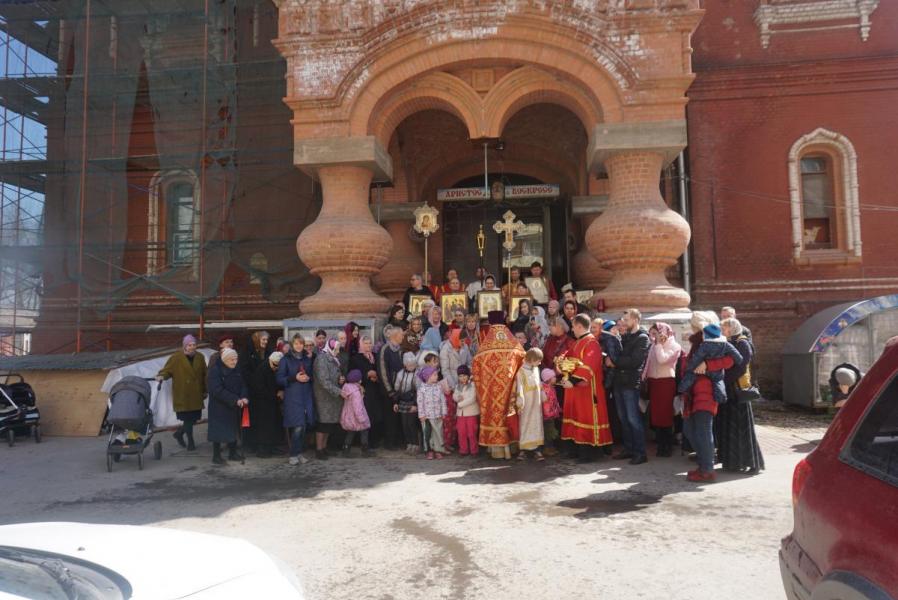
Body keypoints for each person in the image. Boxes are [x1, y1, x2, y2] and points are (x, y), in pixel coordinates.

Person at [680, 311, 736, 483]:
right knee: (691, 430)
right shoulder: (698, 341)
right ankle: (705, 463)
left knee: (703, 431)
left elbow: (731, 360)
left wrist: (708, 364)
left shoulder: (711, 340)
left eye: (693, 323)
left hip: (706, 392)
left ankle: (707, 469)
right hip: (693, 392)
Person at [472, 311, 526, 459]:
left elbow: (476, 364)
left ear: (490, 323)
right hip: (510, 388)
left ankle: (496, 451)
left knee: (494, 415)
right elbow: (523, 358)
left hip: (491, 390)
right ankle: (513, 447)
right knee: (510, 414)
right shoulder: (512, 342)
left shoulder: (486, 345)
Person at [560, 314, 613, 462]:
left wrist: (573, 380)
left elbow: (589, 365)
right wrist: (561, 368)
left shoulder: (592, 343)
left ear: (579, 326)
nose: (571, 329)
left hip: (588, 389)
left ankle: (589, 452)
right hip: (575, 389)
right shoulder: (577, 342)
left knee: (586, 416)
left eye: (573, 326)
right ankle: (576, 448)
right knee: (576, 415)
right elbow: (567, 358)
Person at [718, 318, 765, 473]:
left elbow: (741, 367)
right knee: (730, 426)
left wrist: (724, 378)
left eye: (724, 327)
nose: (722, 330)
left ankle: (752, 463)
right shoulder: (731, 342)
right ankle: (734, 462)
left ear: (731, 329)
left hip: (738, 391)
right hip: (730, 391)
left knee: (743, 429)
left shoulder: (743, 343)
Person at [609, 308, 651, 465]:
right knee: (623, 418)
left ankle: (640, 453)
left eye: (626, 320)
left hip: (630, 383)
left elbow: (634, 361)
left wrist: (615, 361)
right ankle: (629, 448)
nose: (623, 323)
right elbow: (621, 356)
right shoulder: (625, 336)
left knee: (633, 419)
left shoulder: (642, 338)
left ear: (635, 320)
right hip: (619, 381)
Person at [156, 334, 207, 452]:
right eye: (189, 345)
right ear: (184, 346)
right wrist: (162, 376)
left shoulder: (200, 357)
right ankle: (191, 442)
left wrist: (205, 390)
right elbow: (167, 371)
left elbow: (205, 374)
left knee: (193, 419)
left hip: (196, 393)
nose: (192, 347)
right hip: (183, 394)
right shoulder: (176, 357)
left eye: (194, 345)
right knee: (188, 420)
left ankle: (179, 434)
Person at [643, 322, 682, 458]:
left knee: (665, 415)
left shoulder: (675, 346)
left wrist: (659, 344)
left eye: (656, 333)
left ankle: (668, 446)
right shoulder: (653, 345)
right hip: (654, 383)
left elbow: (662, 360)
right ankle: (660, 445)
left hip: (666, 383)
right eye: (651, 334)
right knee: (656, 416)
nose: (653, 337)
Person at [677, 323, 742, 405]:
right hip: (717, 372)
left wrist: (690, 367)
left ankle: (682, 388)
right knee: (718, 381)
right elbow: (738, 356)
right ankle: (721, 397)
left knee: (691, 375)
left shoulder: (705, 345)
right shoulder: (725, 344)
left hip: (703, 372)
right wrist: (739, 359)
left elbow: (697, 357)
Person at [277, 334, 316, 466]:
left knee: (304, 426)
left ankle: (299, 453)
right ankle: (293, 454)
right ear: (292, 345)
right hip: (293, 396)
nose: (299, 346)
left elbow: (310, 374)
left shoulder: (306, 358)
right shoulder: (285, 359)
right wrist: (295, 378)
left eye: (301, 343)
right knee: (297, 426)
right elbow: (279, 379)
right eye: (296, 344)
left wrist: (308, 378)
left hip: (306, 395)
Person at [206, 347, 248, 465]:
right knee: (218, 431)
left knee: (233, 429)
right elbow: (217, 390)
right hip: (219, 406)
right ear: (224, 360)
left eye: (236, 359)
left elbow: (243, 385)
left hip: (234, 405)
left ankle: (233, 453)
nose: (234, 362)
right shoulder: (216, 371)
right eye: (231, 360)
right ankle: (216, 456)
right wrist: (235, 399)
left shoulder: (236, 369)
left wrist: (244, 397)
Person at [246, 349, 285, 458]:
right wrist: (275, 394)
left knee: (272, 426)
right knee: (263, 428)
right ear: (270, 360)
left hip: (271, 402)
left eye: (278, 366)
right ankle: (262, 450)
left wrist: (280, 390)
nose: (276, 368)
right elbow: (259, 389)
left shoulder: (273, 368)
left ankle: (271, 447)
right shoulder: (262, 370)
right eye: (275, 365)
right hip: (261, 404)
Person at [312, 338, 345, 460]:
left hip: (331, 397)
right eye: (336, 349)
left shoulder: (333, 358)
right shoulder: (322, 359)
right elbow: (323, 381)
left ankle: (324, 448)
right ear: (330, 348)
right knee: (322, 424)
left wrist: (339, 379)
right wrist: (339, 391)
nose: (338, 351)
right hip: (323, 397)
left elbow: (333, 375)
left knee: (328, 425)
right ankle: (319, 450)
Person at [349, 335, 384, 448]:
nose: (368, 345)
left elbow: (381, 370)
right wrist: (366, 375)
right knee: (366, 416)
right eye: (366, 343)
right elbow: (352, 375)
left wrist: (377, 377)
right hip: (363, 391)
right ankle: (364, 443)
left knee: (376, 416)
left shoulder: (375, 356)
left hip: (376, 390)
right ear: (361, 344)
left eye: (370, 343)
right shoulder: (356, 358)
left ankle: (374, 441)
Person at [440, 328, 471, 451]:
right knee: (451, 416)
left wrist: (468, 375)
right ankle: (450, 442)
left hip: (465, 382)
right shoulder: (445, 349)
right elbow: (445, 370)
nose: (463, 343)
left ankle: (462, 441)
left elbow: (469, 362)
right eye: (461, 341)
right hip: (452, 384)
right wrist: (455, 387)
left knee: (464, 414)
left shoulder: (465, 347)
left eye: (464, 341)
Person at [515, 347, 546, 461]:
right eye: (538, 360)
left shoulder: (536, 369)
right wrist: (520, 403)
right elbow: (520, 388)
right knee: (525, 423)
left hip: (536, 403)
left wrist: (543, 395)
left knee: (537, 423)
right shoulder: (521, 372)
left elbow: (539, 384)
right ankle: (523, 449)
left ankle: (537, 449)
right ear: (532, 359)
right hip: (527, 403)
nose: (540, 362)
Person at [377, 325, 405, 449]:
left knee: (397, 417)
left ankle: (397, 440)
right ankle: (389, 442)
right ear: (395, 336)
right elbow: (383, 371)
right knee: (389, 417)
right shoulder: (385, 349)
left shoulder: (399, 349)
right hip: (388, 391)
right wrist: (390, 390)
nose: (403, 337)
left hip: (399, 389)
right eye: (401, 335)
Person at [340, 369, 374, 458]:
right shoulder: (356, 393)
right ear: (359, 380)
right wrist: (362, 418)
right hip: (357, 417)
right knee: (364, 431)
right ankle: (365, 450)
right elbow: (357, 407)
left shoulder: (347, 388)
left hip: (349, 416)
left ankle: (346, 449)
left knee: (350, 432)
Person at [417, 365, 447, 460]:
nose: (436, 376)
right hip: (427, 417)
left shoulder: (438, 387)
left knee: (438, 433)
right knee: (428, 434)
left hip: (437, 415)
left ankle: (438, 450)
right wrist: (421, 415)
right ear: (427, 377)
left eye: (436, 375)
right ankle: (429, 451)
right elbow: (420, 403)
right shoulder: (422, 389)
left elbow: (443, 400)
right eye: (434, 375)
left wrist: (444, 412)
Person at [395, 352, 420, 453]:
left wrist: (415, 404)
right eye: (409, 365)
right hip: (402, 400)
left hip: (413, 400)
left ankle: (416, 444)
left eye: (413, 364)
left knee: (411, 424)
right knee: (404, 424)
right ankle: (409, 443)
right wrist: (396, 402)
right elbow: (397, 389)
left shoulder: (418, 374)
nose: (411, 367)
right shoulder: (400, 373)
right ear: (405, 364)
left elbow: (419, 390)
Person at [454, 365, 479, 456]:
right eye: (460, 376)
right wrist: (457, 398)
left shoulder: (472, 385)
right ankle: (463, 450)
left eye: (464, 375)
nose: (462, 378)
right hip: (460, 415)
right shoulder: (457, 386)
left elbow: (472, 398)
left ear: (468, 375)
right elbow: (455, 396)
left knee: (471, 433)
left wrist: (460, 404)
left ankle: (474, 450)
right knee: (461, 432)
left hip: (471, 413)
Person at [540, 368, 561, 456]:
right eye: (554, 377)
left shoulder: (551, 387)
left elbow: (554, 400)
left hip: (551, 413)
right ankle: (546, 449)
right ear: (548, 379)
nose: (555, 378)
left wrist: (558, 408)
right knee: (548, 431)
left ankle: (550, 447)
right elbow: (546, 402)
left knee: (550, 430)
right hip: (547, 414)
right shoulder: (545, 389)